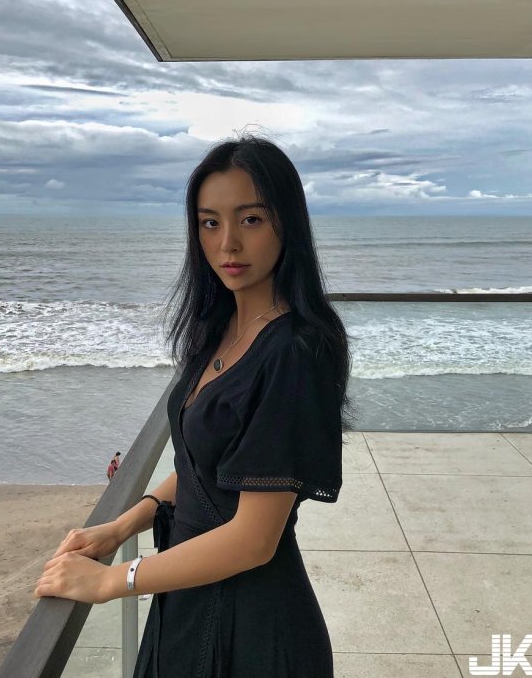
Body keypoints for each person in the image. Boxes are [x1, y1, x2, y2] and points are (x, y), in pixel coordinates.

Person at [34, 132, 356, 677]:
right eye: (210, 222)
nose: (228, 243)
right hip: (187, 598)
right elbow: (200, 466)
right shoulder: (219, 329)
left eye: (250, 219)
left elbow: (254, 540)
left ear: (287, 224)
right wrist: (122, 525)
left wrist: (115, 579)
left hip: (252, 629)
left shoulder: (296, 351)